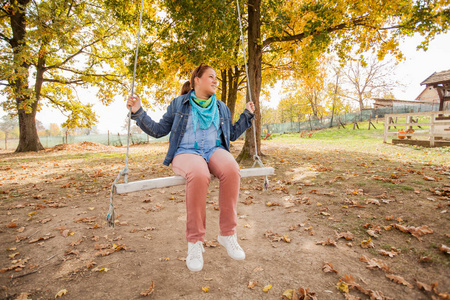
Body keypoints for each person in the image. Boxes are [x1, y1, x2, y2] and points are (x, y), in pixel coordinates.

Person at [126, 63, 255, 272]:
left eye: (217, 78)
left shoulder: (221, 106)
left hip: (214, 149)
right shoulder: (179, 104)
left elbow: (230, 134)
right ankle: (195, 242)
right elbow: (159, 130)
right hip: (186, 152)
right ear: (197, 79)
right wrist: (138, 112)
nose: (215, 81)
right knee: (199, 172)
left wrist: (247, 116)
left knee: (232, 168)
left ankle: (228, 234)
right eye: (211, 77)